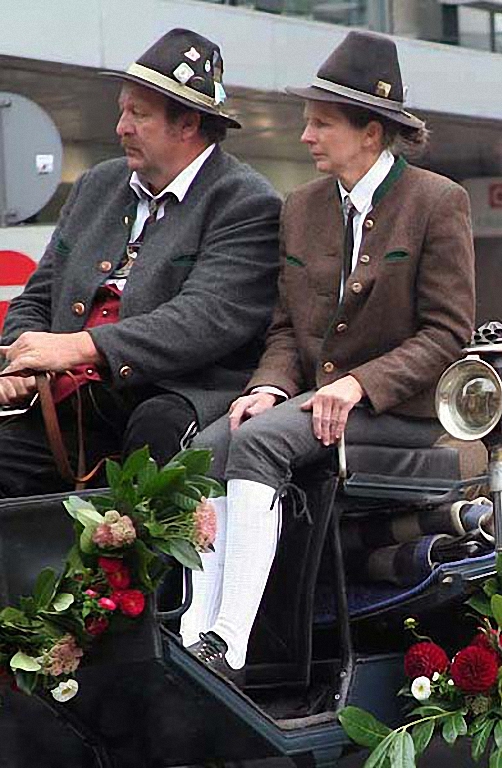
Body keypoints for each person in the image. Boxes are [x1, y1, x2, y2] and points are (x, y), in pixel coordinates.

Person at [183, 31, 475, 679]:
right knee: (202, 451)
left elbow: (446, 333)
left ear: (370, 132)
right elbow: (286, 329)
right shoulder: (302, 207)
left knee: (257, 444)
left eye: (321, 123)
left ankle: (229, 642)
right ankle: (192, 630)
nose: (306, 136)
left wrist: (359, 385)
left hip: (397, 411)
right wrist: (267, 387)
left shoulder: (437, 201)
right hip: (312, 403)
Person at [0, 29, 281, 496]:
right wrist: (20, 361)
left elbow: (203, 320)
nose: (121, 127)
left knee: (154, 437)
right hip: (73, 400)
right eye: (123, 111)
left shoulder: (246, 202)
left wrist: (78, 348)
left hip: (175, 394)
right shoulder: (97, 185)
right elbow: (39, 295)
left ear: (188, 124)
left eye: (139, 114)